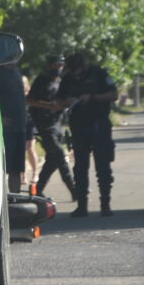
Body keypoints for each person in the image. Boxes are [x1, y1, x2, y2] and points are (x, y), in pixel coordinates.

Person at [58, 52, 118, 217]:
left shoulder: (98, 74)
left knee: (103, 166)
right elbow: (59, 101)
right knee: (80, 168)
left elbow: (113, 95)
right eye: (73, 71)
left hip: (99, 124)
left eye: (78, 71)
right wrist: (68, 101)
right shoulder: (68, 79)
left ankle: (105, 204)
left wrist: (92, 97)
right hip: (79, 126)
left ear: (84, 67)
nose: (76, 74)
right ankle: (82, 206)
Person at [26, 54, 77, 201]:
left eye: (60, 66)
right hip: (44, 125)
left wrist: (64, 104)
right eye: (55, 66)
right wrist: (48, 105)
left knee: (52, 160)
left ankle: (38, 190)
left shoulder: (61, 81)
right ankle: (74, 189)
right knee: (60, 155)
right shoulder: (41, 80)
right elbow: (29, 100)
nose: (58, 69)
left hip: (57, 125)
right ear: (48, 66)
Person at [0, 61, 27, 194]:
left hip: (19, 125)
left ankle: (15, 195)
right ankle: (0, 197)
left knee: (17, 167)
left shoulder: (17, 71)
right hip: (5, 128)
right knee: (2, 165)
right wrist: (0, 117)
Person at [21, 72, 39, 190]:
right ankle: (23, 175)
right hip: (20, 124)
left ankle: (35, 173)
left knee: (30, 149)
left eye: (23, 84)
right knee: (21, 150)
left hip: (30, 124)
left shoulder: (30, 96)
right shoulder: (15, 96)